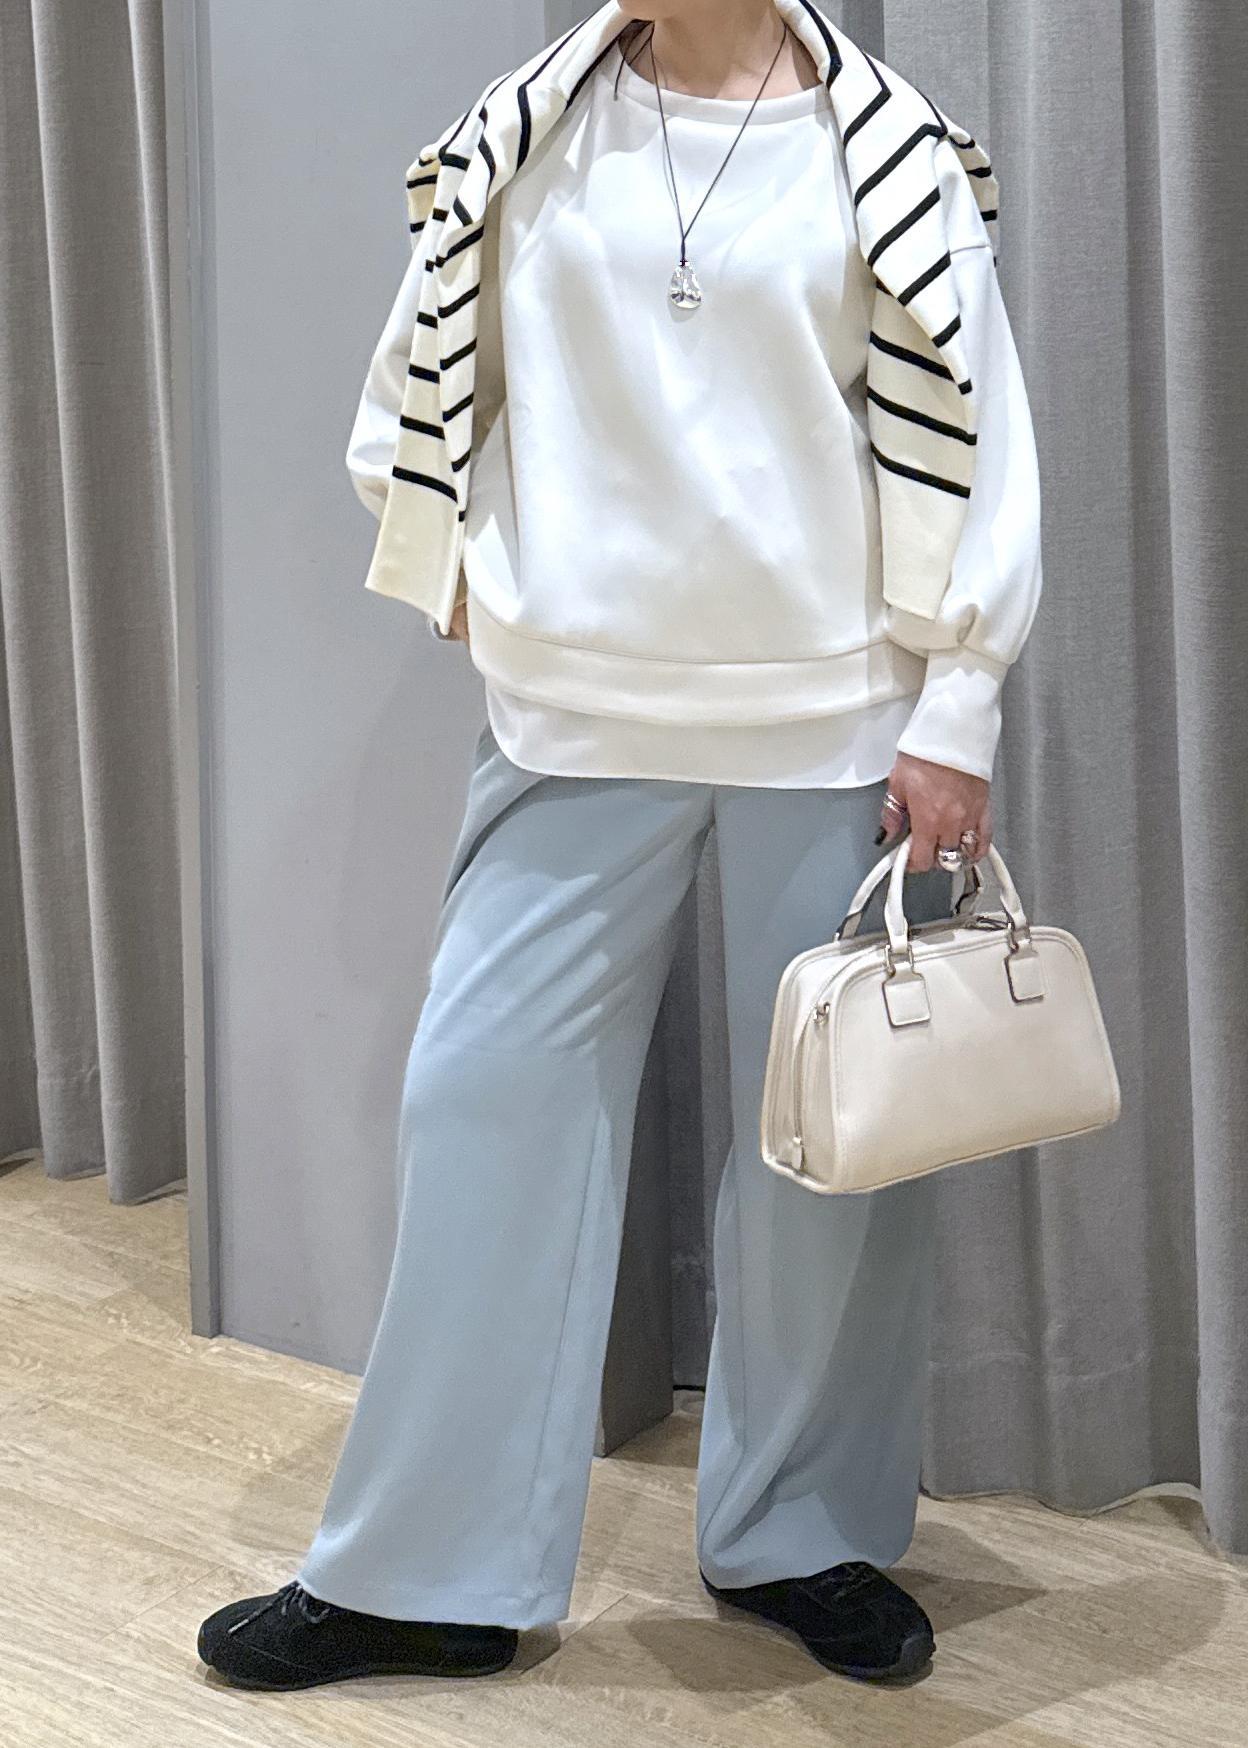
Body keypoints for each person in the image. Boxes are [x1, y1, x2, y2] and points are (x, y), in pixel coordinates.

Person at [197, 0, 1042, 1692]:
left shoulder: (885, 149)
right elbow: (420, 374)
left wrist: (960, 703)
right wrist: (446, 561)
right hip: (573, 708)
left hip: (832, 711)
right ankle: (429, 1571)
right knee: (484, 1111)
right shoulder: (526, 128)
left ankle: (798, 1533)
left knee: (826, 1153)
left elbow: (979, 431)